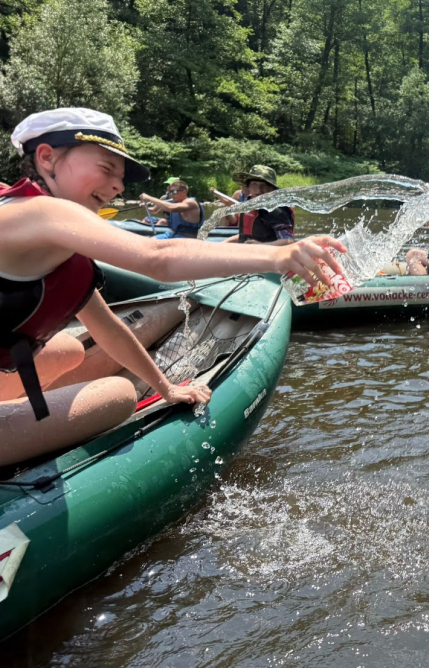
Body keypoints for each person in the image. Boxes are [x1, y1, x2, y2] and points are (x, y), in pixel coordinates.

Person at [0, 108, 346, 467]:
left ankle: (24, 417)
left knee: (69, 349)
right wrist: (278, 258)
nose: (118, 187)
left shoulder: (52, 236)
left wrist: (166, 388)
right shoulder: (37, 213)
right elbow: (157, 257)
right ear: (47, 157)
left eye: (120, 177)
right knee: (118, 395)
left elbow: (108, 328)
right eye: (106, 169)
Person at [222, 165, 294, 244]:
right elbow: (244, 236)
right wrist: (225, 242)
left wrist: (261, 245)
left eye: (263, 185)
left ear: (271, 189)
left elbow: (288, 241)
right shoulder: (247, 205)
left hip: (269, 254)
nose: (258, 190)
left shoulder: (277, 212)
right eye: (254, 184)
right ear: (248, 187)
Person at [139, 178, 204, 238]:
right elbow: (154, 210)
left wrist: (149, 198)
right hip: (173, 234)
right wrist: (145, 206)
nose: (172, 194)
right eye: (170, 192)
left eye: (174, 192)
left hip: (186, 238)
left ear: (184, 192)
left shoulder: (191, 202)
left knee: (163, 221)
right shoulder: (173, 200)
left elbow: (171, 208)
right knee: (149, 243)